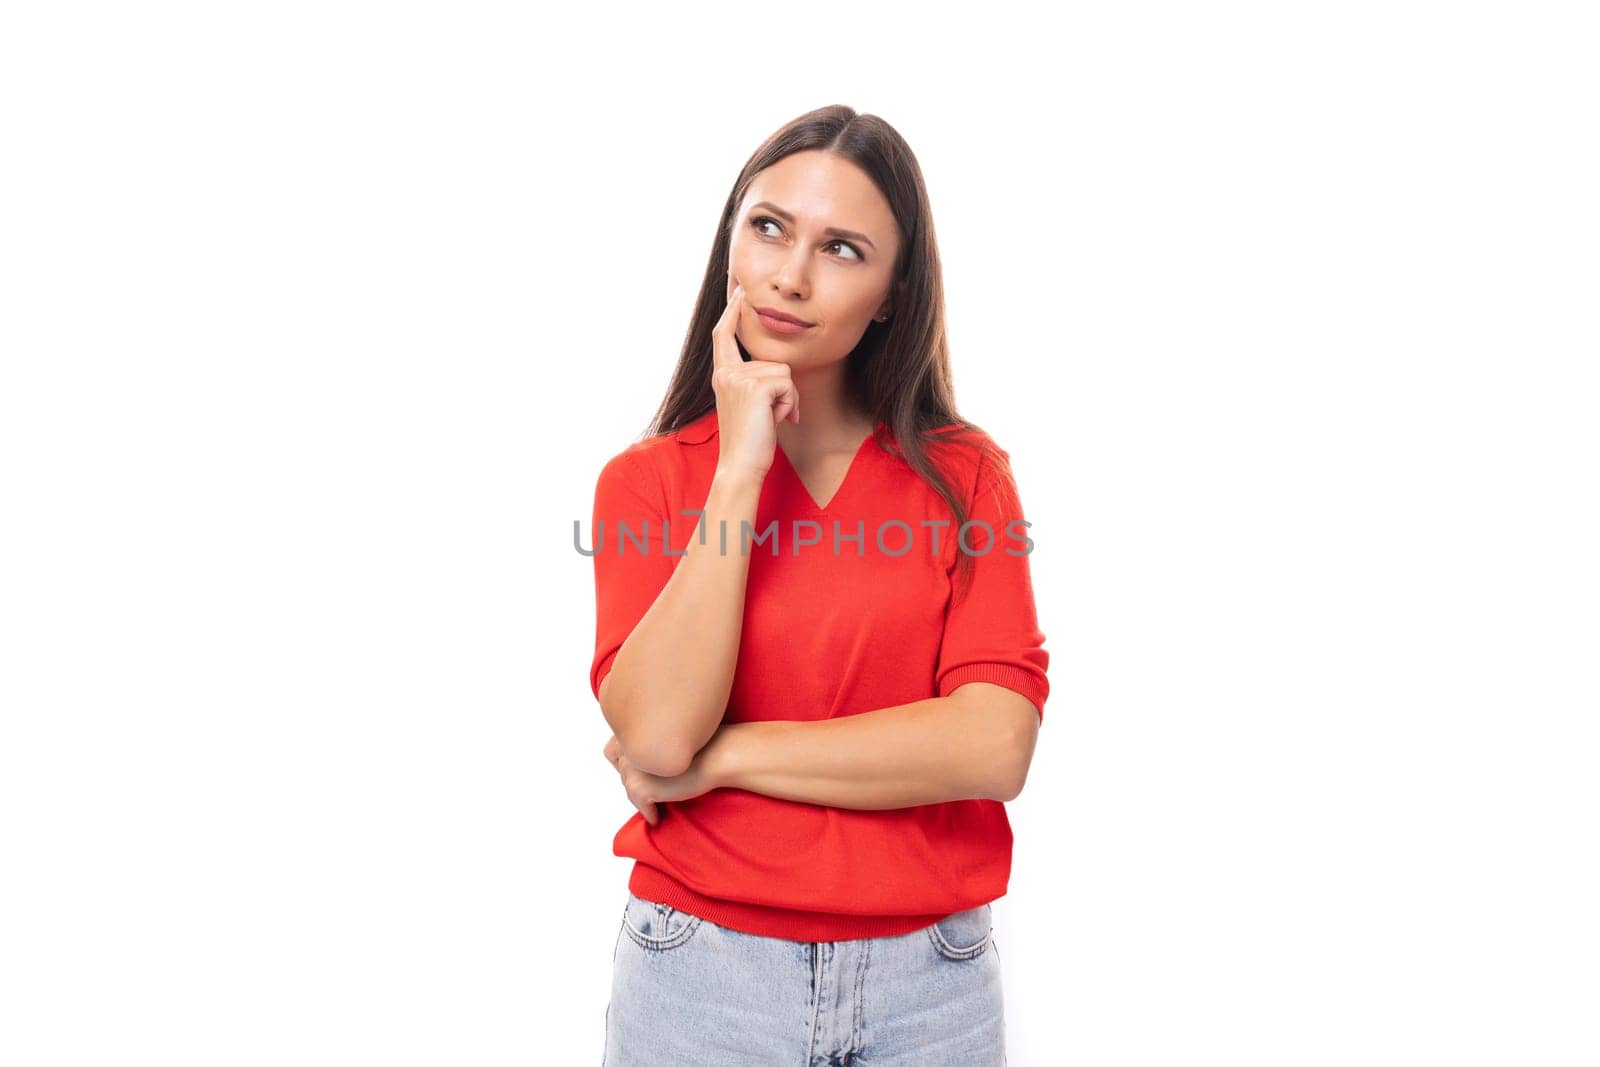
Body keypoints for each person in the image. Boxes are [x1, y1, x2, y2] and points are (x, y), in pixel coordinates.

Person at [587, 104, 1049, 1066]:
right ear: (731, 243)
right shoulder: (652, 482)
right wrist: (739, 471)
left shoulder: (966, 478)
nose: (790, 276)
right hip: (701, 978)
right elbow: (663, 731)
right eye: (768, 227)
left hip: (932, 985)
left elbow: (994, 743)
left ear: (890, 293)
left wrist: (726, 761)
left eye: (842, 248)